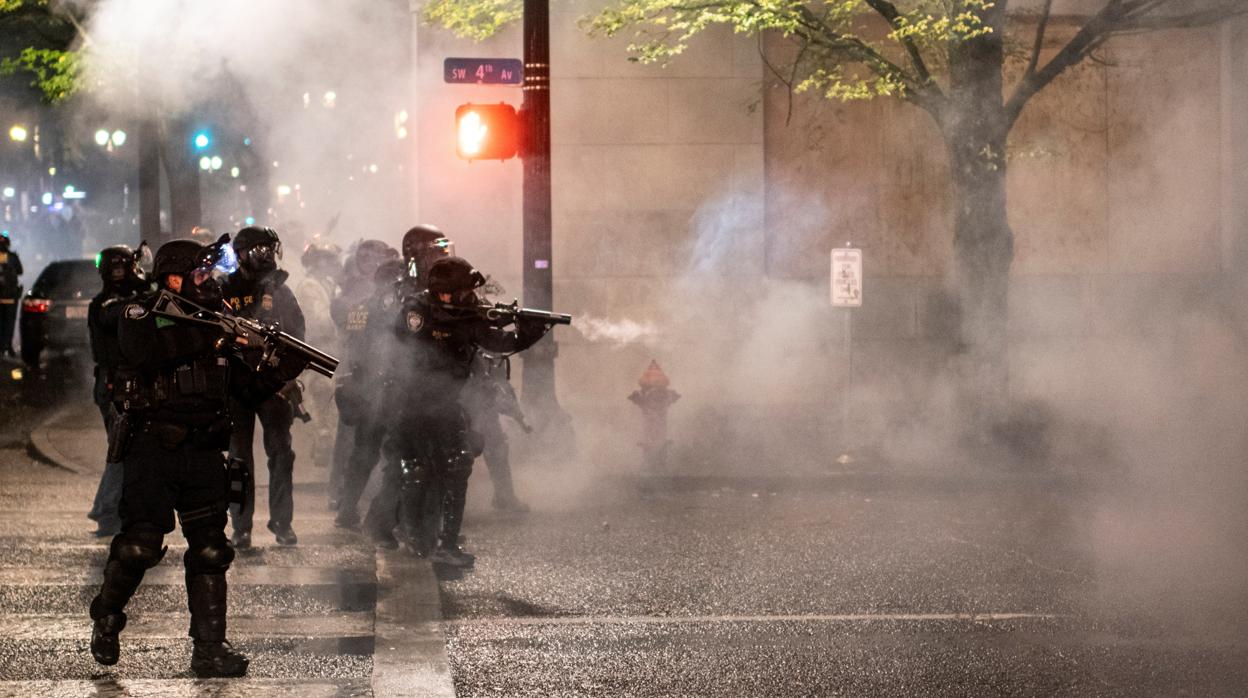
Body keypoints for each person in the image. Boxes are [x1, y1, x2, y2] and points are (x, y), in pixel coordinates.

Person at [88, 238, 307, 677]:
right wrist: (216, 337)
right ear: (173, 277)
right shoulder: (140, 314)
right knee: (139, 546)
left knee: (210, 550)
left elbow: (243, 391)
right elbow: (145, 353)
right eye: (200, 273)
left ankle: (209, 649)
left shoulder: (217, 321)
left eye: (210, 273)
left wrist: (280, 369)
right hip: (153, 449)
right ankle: (107, 616)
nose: (209, 280)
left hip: (205, 450)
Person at [365, 256, 551, 566]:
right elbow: (416, 342)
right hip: (407, 404)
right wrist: (466, 323)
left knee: (456, 464)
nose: (470, 298)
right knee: (410, 470)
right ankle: (397, 530)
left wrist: (529, 331)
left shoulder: (467, 316)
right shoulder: (417, 310)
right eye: (462, 292)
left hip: (446, 403)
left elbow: (499, 343)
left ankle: (446, 543)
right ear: (444, 292)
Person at [222, 226, 306, 548]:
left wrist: (284, 376)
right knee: (238, 463)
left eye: (270, 249)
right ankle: (240, 527)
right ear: (241, 254)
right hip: (236, 386)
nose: (267, 256)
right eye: (259, 250)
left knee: (282, 456)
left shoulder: (281, 291)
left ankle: (282, 523)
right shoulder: (225, 290)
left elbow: (299, 337)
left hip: (272, 386)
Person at [327, 239, 398, 511]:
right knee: (349, 435)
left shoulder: (385, 290)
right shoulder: (347, 294)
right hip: (355, 369)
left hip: (383, 369)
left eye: (378, 259)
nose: (373, 264)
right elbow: (351, 325)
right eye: (367, 259)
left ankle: (365, 493)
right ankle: (338, 492)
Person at [86, 246, 150, 537]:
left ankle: (110, 508)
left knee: (125, 448)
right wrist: (144, 294)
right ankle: (107, 511)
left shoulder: (116, 300)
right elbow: (122, 315)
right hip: (113, 384)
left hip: (116, 383)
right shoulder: (107, 304)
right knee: (122, 448)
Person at [295, 242, 342, 469]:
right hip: (318, 350)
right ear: (316, 262)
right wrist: (343, 318)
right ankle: (322, 449)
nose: (332, 263)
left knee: (332, 405)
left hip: (332, 350)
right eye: (327, 258)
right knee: (323, 396)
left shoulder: (328, 284)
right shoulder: (309, 287)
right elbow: (319, 321)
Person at [0, 233, 23, 356]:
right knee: (9, 323)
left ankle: (2, 346)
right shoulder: (12, 257)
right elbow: (20, 271)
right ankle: (7, 346)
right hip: (10, 297)